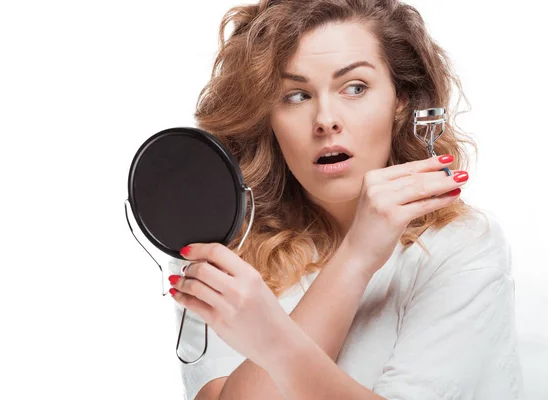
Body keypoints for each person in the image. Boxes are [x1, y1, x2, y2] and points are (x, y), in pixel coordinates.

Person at [165, 0, 523, 398]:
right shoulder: (226, 254)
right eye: (296, 95)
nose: (326, 119)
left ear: (400, 100)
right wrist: (354, 258)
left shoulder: (462, 246)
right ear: (266, 117)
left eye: (355, 87)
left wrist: (274, 337)